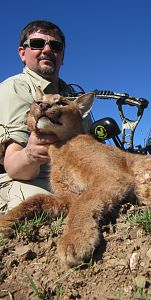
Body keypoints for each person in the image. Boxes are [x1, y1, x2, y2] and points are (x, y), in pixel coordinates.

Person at [0, 20, 92, 214]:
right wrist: (30, 155)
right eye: (37, 44)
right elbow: (16, 168)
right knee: (47, 208)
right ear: (22, 53)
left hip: (77, 179)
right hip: (30, 179)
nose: (47, 49)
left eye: (55, 46)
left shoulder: (73, 97)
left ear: (62, 56)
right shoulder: (15, 88)